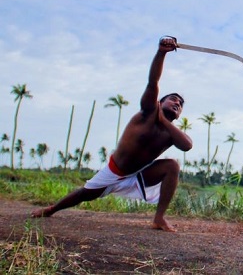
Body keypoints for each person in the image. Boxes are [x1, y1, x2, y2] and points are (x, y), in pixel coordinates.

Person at [31, 36, 193, 232]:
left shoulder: (171, 132)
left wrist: (166, 122)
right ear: (160, 102)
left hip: (139, 173)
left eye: (180, 105)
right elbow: (153, 82)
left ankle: (159, 218)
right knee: (85, 194)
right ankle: (51, 209)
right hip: (115, 170)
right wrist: (161, 53)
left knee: (172, 166)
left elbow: (187, 145)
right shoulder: (148, 112)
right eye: (173, 99)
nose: (177, 103)